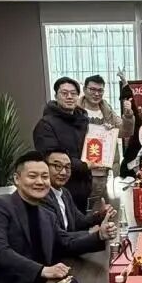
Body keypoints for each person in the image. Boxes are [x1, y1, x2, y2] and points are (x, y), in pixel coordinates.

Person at [0, 151, 117, 283]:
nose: (40, 182)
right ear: (17, 179)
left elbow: (65, 242)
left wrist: (99, 236)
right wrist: (42, 270)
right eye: (33, 176)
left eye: (45, 177)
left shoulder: (46, 215)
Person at [34, 77, 93, 210]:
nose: (69, 97)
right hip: (59, 189)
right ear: (56, 96)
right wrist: (84, 165)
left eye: (73, 93)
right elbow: (50, 157)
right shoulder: (45, 125)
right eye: (64, 93)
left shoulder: (82, 121)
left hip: (83, 188)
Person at [40, 149, 115, 232]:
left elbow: (80, 221)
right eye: (58, 166)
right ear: (44, 167)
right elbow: (60, 237)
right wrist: (98, 236)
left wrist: (100, 215)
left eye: (67, 167)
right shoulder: (42, 197)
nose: (63, 172)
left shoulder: (65, 193)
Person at [79, 74, 123, 205]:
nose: (96, 93)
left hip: (106, 168)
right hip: (83, 169)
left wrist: (127, 115)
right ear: (84, 89)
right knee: (87, 206)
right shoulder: (75, 110)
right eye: (92, 89)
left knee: (106, 205)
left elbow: (124, 131)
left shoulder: (107, 109)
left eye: (100, 90)